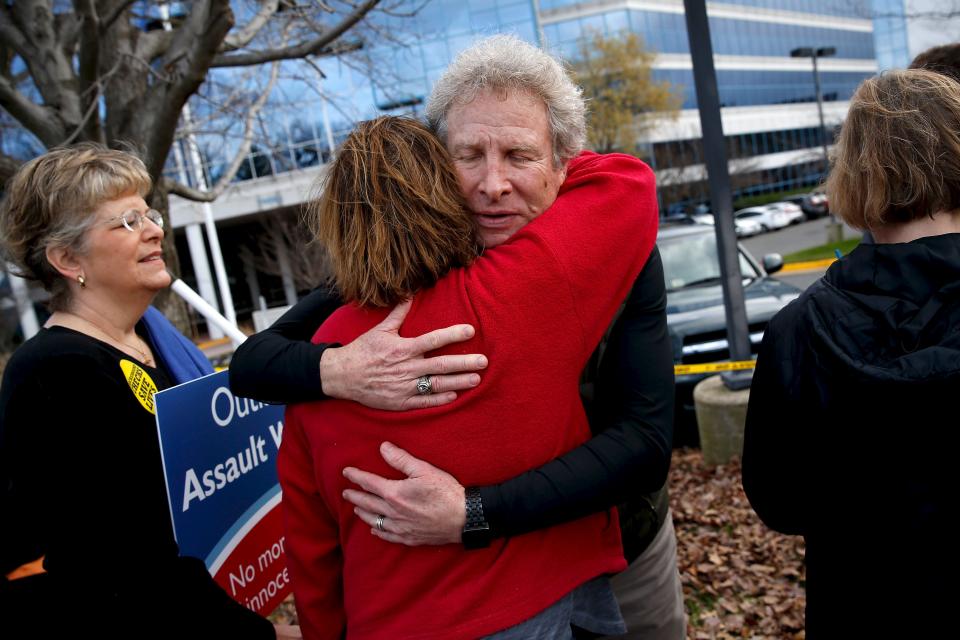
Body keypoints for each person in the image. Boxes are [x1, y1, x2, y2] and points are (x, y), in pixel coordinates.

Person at [230, 35, 683, 640]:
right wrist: (341, 372)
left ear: (563, 166)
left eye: (519, 156)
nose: (492, 184)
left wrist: (472, 514)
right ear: (438, 167)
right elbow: (253, 360)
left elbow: (645, 441)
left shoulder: (610, 252)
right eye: (469, 155)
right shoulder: (406, 275)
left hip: (623, 536)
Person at [0, 144, 293, 639]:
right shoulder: (54, 374)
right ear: (68, 258)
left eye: (149, 213)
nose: (156, 229)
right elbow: (122, 564)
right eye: (127, 222)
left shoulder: (152, 342)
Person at [741, 69, 959, 637]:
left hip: (863, 606)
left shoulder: (796, 331)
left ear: (855, 171)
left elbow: (780, 501)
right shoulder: (800, 328)